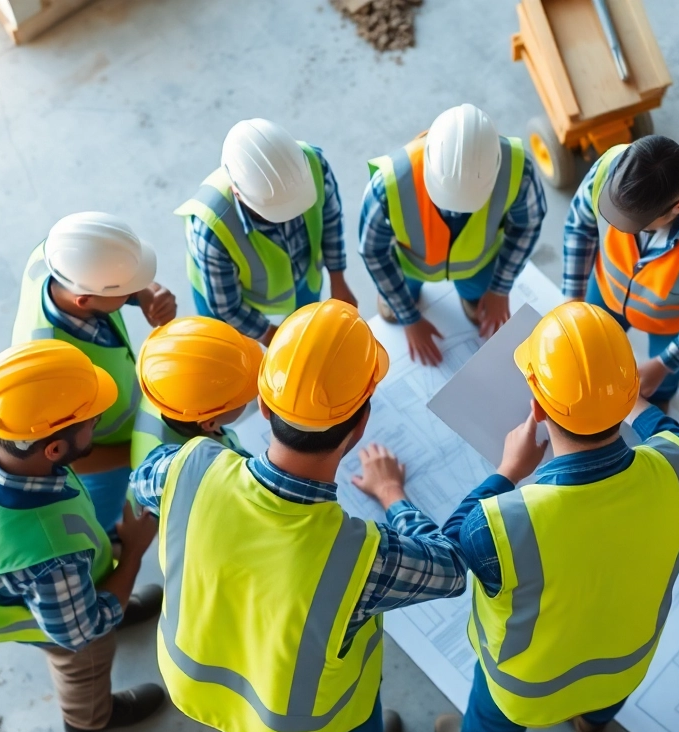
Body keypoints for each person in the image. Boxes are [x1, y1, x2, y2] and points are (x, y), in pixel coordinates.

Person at [129, 300, 469, 732]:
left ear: (263, 405)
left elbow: (142, 483)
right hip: (297, 721)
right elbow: (452, 569)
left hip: (186, 674)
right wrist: (392, 494)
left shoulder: (183, 467)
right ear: (361, 424)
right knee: (358, 713)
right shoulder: (365, 557)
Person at [432, 303, 679, 732]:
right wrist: (617, 393)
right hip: (624, 663)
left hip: (525, 685)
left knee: (491, 725)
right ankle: (591, 730)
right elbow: (665, 429)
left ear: (537, 409)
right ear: (631, 393)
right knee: (604, 699)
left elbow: (448, 548)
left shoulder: (500, 524)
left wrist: (506, 472)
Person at [0, 340, 166, 732]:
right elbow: (79, 633)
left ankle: (115, 601)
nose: (98, 419)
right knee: (86, 661)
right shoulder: (49, 553)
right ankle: (89, 721)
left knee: (97, 603)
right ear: (55, 448)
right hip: (57, 620)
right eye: (93, 420)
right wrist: (133, 555)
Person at [12, 212, 177, 533]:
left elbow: (110, 283)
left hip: (122, 426)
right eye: (127, 288)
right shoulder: (51, 372)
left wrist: (146, 293)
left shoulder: (54, 257)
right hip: (105, 458)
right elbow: (71, 457)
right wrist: (139, 450)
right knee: (101, 521)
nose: (135, 288)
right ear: (85, 299)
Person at [562, 134, 679, 408]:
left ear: (678, 207)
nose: (617, 228)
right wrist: (572, 297)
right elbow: (579, 226)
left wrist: (664, 364)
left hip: (670, 323)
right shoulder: (611, 167)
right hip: (606, 290)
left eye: (634, 224)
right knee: (587, 348)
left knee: (658, 384)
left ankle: (660, 398)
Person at [360, 104, 547, 365]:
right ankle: (404, 299)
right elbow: (373, 251)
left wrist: (499, 288)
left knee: (479, 290)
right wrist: (409, 318)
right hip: (411, 264)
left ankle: (474, 292)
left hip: (477, 261)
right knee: (399, 295)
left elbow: (528, 226)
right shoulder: (389, 184)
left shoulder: (518, 171)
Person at [176, 118, 357, 345]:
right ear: (238, 194)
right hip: (221, 294)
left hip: (300, 272)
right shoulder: (211, 229)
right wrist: (277, 340)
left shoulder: (313, 165)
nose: (290, 217)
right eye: (276, 212)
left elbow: (331, 221)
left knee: (310, 331)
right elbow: (227, 307)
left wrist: (338, 279)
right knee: (228, 347)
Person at [129, 316, 263, 469]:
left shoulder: (163, 389)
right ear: (209, 424)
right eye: (244, 399)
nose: (250, 399)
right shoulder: (203, 466)